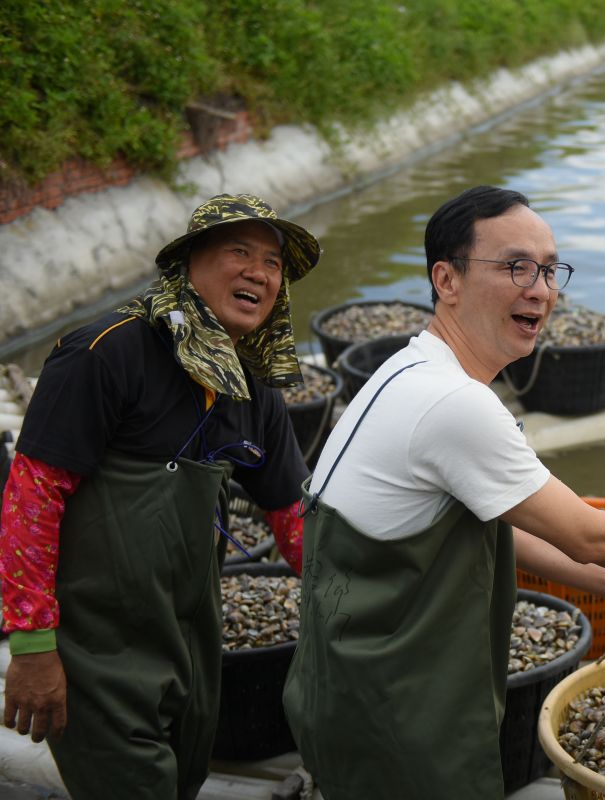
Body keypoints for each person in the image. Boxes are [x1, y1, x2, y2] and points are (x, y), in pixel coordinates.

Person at [282, 185, 605, 800]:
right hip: (399, 721)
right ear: (446, 280)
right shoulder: (453, 403)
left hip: (341, 692)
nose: (541, 288)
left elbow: (497, 529)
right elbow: (584, 532)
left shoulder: (407, 368)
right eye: (514, 267)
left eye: (548, 269)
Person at [0, 194, 317, 799]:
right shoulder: (105, 352)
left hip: (192, 642)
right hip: (97, 648)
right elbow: (30, 499)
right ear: (189, 263)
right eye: (239, 252)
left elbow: (294, 515)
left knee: (183, 782)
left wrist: (358, 608)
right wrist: (34, 649)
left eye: (273, 262)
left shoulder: (251, 386)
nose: (260, 272)